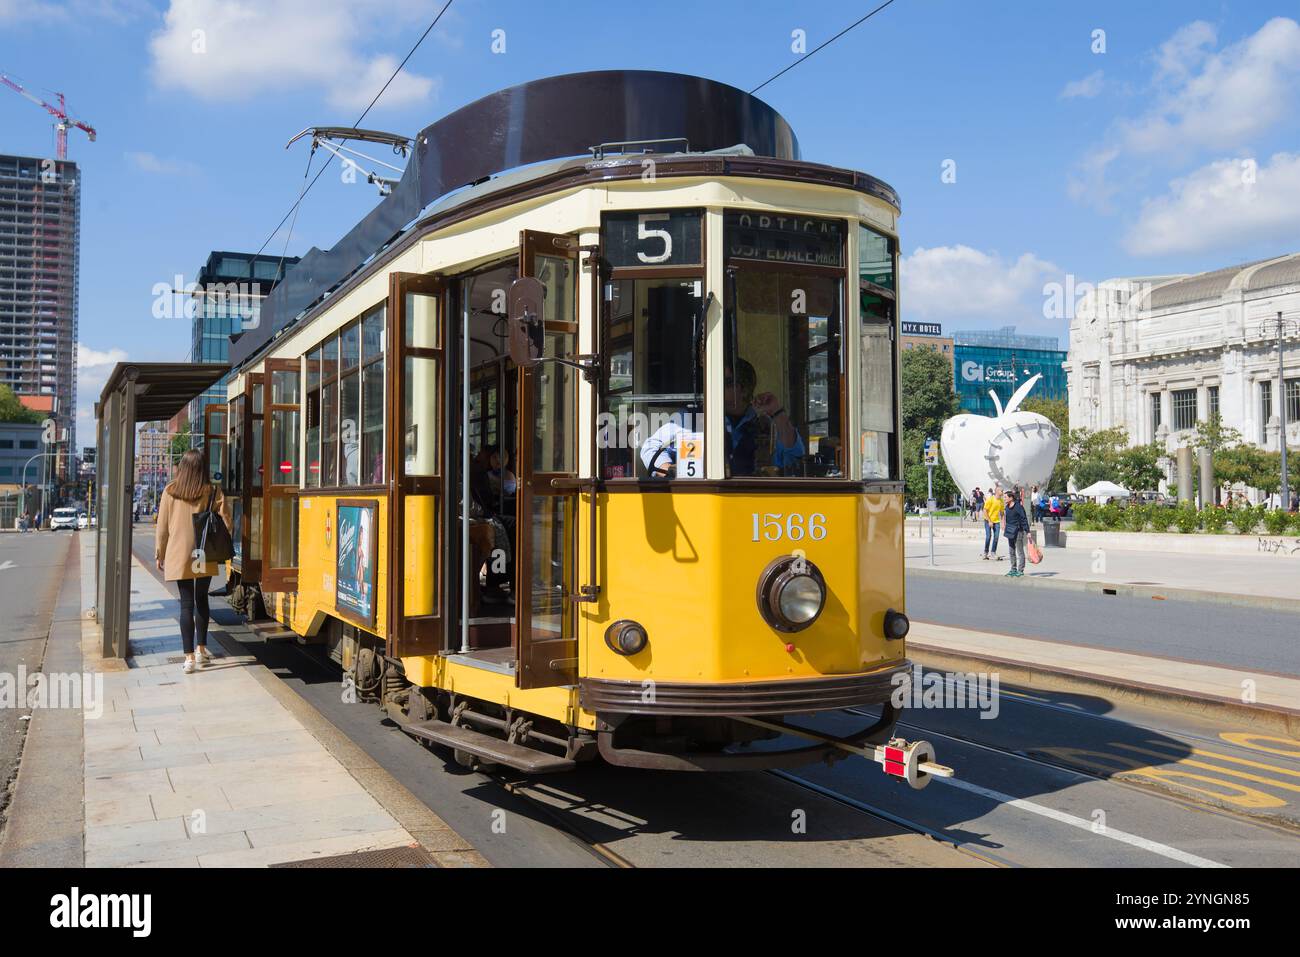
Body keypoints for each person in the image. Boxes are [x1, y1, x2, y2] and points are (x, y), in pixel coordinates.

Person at [641, 358, 804, 477]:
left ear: (744, 388)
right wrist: (669, 471)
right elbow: (650, 447)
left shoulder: (766, 424)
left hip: (757, 510)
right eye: (715, 380)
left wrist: (777, 411)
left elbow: (794, 455)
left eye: (726, 382)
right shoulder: (691, 418)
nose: (716, 386)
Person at [155, 449, 229, 675]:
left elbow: (163, 525)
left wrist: (160, 552)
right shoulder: (212, 491)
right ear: (202, 468)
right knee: (201, 600)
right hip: (202, 552)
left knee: (186, 604)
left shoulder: (170, 491)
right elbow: (226, 520)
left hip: (179, 554)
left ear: (182, 468)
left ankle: (188, 658)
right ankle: (201, 649)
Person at [1003, 489, 1029, 577]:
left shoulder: (1018, 507)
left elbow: (1024, 519)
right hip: (1010, 531)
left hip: (1018, 531)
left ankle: (1020, 570)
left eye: (1005, 497)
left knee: (1020, 551)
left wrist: (1027, 531)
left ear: (1011, 498)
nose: (1004, 499)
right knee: (1011, 550)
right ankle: (1013, 569)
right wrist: (1005, 526)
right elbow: (1006, 518)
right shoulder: (1007, 507)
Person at [981, 487, 1003, 560]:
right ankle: (985, 553)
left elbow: (1002, 513)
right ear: (997, 491)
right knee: (988, 536)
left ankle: (993, 552)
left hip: (996, 521)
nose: (1002, 492)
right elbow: (985, 510)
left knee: (996, 537)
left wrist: (1003, 523)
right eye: (1001, 491)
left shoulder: (1001, 501)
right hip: (988, 520)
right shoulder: (990, 499)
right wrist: (990, 521)